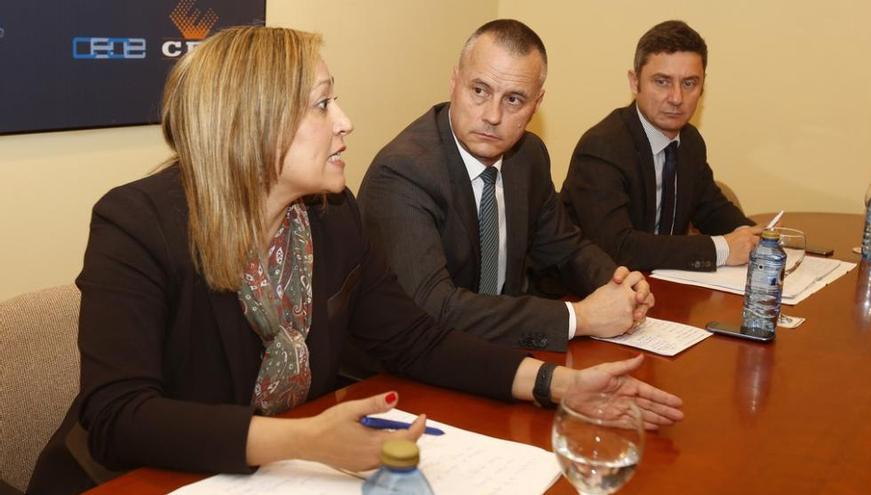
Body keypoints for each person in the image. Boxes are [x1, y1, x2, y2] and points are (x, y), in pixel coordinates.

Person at [27, 26, 683, 494]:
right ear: (253, 121)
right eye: (321, 104)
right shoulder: (138, 223)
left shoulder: (333, 217)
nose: (345, 121)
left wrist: (555, 384)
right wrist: (302, 441)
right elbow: (121, 416)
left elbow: (416, 339)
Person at [358, 19, 653, 354]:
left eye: (513, 99)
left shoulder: (528, 156)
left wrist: (619, 284)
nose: (493, 115)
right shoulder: (403, 172)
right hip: (399, 373)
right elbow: (434, 308)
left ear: (536, 104)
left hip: (496, 353)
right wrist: (579, 317)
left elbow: (566, 249)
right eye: (479, 90)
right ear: (455, 81)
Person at [560, 20, 761, 272]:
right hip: (589, 292)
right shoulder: (601, 148)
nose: (677, 98)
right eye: (662, 81)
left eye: (689, 83)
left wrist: (758, 239)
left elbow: (711, 209)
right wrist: (722, 249)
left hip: (663, 285)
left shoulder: (690, 142)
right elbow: (617, 248)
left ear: (702, 86)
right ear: (635, 83)